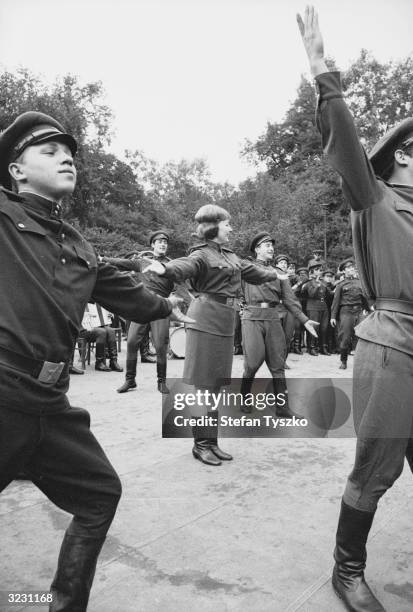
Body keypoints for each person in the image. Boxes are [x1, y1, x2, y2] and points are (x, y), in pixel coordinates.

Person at [0, 111, 183, 611]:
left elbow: (130, 295)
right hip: (3, 396)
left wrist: (172, 306)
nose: (66, 158)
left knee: (99, 494)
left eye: (70, 152)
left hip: (51, 407)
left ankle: (61, 603)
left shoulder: (77, 243)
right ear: (15, 171)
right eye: (49, 150)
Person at [298, 7, 413, 611]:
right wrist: (325, 77)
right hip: (391, 344)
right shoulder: (374, 199)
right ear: (399, 156)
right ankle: (348, 569)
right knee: (377, 464)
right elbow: (346, 145)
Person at [145, 205, 290, 466]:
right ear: (213, 227)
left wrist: (275, 274)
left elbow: (252, 271)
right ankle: (200, 444)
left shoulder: (230, 256)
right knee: (204, 385)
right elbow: (185, 266)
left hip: (224, 320)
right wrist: (165, 269)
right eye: (227, 224)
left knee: (216, 385)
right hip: (206, 318)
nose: (231, 228)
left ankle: (211, 442)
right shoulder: (201, 254)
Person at [239, 233, 318, 415]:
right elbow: (235, 289)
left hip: (273, 317)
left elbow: (290, 300)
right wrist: (239, 307)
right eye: (266, 245)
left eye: (272, 245)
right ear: (257, 249)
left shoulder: (280, 274)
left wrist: (304, 320)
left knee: (278, 364)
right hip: (252, 317)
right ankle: (244, 398)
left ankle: (282, 408)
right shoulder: (248, 268)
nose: (271, 248)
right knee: (252, 363)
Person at [104, 231, 190, 394]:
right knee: (131, 342)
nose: (163, 244)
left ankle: (161, 382)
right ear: (152, 245)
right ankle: (130, 381)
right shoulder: (144, 262)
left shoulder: (172, 265)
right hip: (142, 307)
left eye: (165, 242)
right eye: (159, 241)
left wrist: (176, 298)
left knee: (160, 346)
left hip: (161, 307)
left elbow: (182, 287)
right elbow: (123, 263)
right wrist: (103, 259)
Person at [330, 259, 370, 370]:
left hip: (359, 311)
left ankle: (361, 363)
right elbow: (336, 302)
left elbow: (363, 297)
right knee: (345, 337)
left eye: (352, 267)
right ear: (343, 271)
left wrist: (368, 310)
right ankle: (343, 361)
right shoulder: (341, 285)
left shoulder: (360, 282)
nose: (351, 269)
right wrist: (333, 317)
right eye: (348, 268)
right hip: (346, 312)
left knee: (361, 336)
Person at [80, 303, 123, 372]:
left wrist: (108, 315)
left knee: (111, 331)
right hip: (84, 328)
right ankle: (99, 362)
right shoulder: (83, 299)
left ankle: (113, 361)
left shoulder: (97, 299)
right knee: (101, 332)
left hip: (98, 326)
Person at [301, 260, 332, 356]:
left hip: (323, 307)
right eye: (317, 270)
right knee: (314, 328)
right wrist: (317, 286)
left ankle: (323, 347)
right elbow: (311, 294)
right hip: (313, 307)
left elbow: (329, 295)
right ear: (312, 272)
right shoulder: (309, 283)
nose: (320, 271)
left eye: (320, 270)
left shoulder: (323, 282)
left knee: (324, 328)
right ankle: (312, 348)